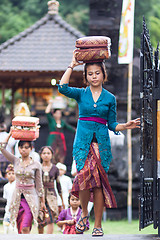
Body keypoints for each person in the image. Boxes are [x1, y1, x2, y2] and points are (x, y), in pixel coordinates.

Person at [58, 51, 140, 237]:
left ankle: (98, 225)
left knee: (98, 184)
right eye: (90, 74)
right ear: (86, 77)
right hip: (83, 145)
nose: (94, 76)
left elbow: (112, 124)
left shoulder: (110, 98)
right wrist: (72, 65)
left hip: (100, 145)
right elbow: (62, 88)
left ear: (103, 74)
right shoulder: (81, 94)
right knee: (84, 180)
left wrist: (126, 126)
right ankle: (84, 214)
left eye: (97, 73)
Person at [0, 134, 45, 234]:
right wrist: (10, 134)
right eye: (21, 147)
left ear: (31, 148)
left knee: (25, 226)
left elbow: (39, 184)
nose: (23, 150)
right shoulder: (15, 160)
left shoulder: (36, 164)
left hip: (31, 199)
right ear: (18, 148)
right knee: (19, 226)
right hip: (17, 198)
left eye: (26, 147)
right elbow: (2, 147)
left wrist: (42, 201)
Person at [38, 146, 64, 234]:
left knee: (51, 218)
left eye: (48, 153)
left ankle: (49, 238)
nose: (46, 155)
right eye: (44, 153)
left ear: (52, 155)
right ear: (40, 155)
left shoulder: (55, 169)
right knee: (40, 218)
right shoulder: (37, 168)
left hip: (51, 195)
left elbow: (58, 184)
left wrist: (62, 199)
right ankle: (40, 237)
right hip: (39, 195)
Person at [3, 164, 17, 234]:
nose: (11, 175)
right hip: (8, 208)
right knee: (6, 226)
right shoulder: (6, 186)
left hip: (16, 208)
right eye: (9, 173)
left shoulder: (17, 185)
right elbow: (5, 198)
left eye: (13, 173)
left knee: (15, 229)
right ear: (6, 175)